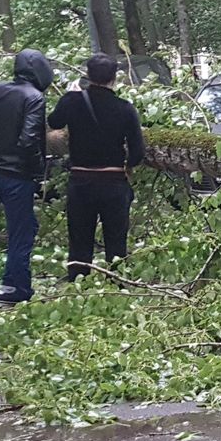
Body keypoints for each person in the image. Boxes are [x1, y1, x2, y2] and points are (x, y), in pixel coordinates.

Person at [50, 54, 144, 281]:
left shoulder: (72, 101)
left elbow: (53, 123)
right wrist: (128, 166)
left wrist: (69, 96)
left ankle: (78, 281)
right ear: (115, 78)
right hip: (113, 181)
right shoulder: (125, 109)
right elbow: (138, 152)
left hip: (80, 180)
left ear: (87, 76)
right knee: (116, 237)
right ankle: (117, 280)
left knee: (79, 237)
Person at [0, 49, 54, 305]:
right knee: (22, 230)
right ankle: (15, 287)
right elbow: (29, 140)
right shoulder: (34, 97)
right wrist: (39, 172)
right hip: (16, 174)